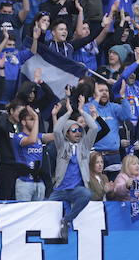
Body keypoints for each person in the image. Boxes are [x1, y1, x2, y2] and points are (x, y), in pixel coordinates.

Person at [51, 97, 98, 239]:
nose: (78, 132)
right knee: (44, 208)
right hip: (59, 189)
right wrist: (68, 112)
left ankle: (67, 220)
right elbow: (57, 130)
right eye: (74, 130)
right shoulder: (61, 146)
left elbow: (94, 128)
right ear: (67, 134)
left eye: (79, 130)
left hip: (75, 190)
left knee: (87, 194)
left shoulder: (84, 146)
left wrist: (82, 111)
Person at [13, 104, 55, 200]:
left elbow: (55, 135)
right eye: (31, 119)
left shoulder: (39, 136)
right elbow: (31, 140)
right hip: (24, 183)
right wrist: (36, 118)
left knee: (38, 214)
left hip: (39, 181)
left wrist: (54, 116)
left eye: (34, 119)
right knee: (24, 213)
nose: (35, 121)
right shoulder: (18, 137)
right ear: (23, 122)